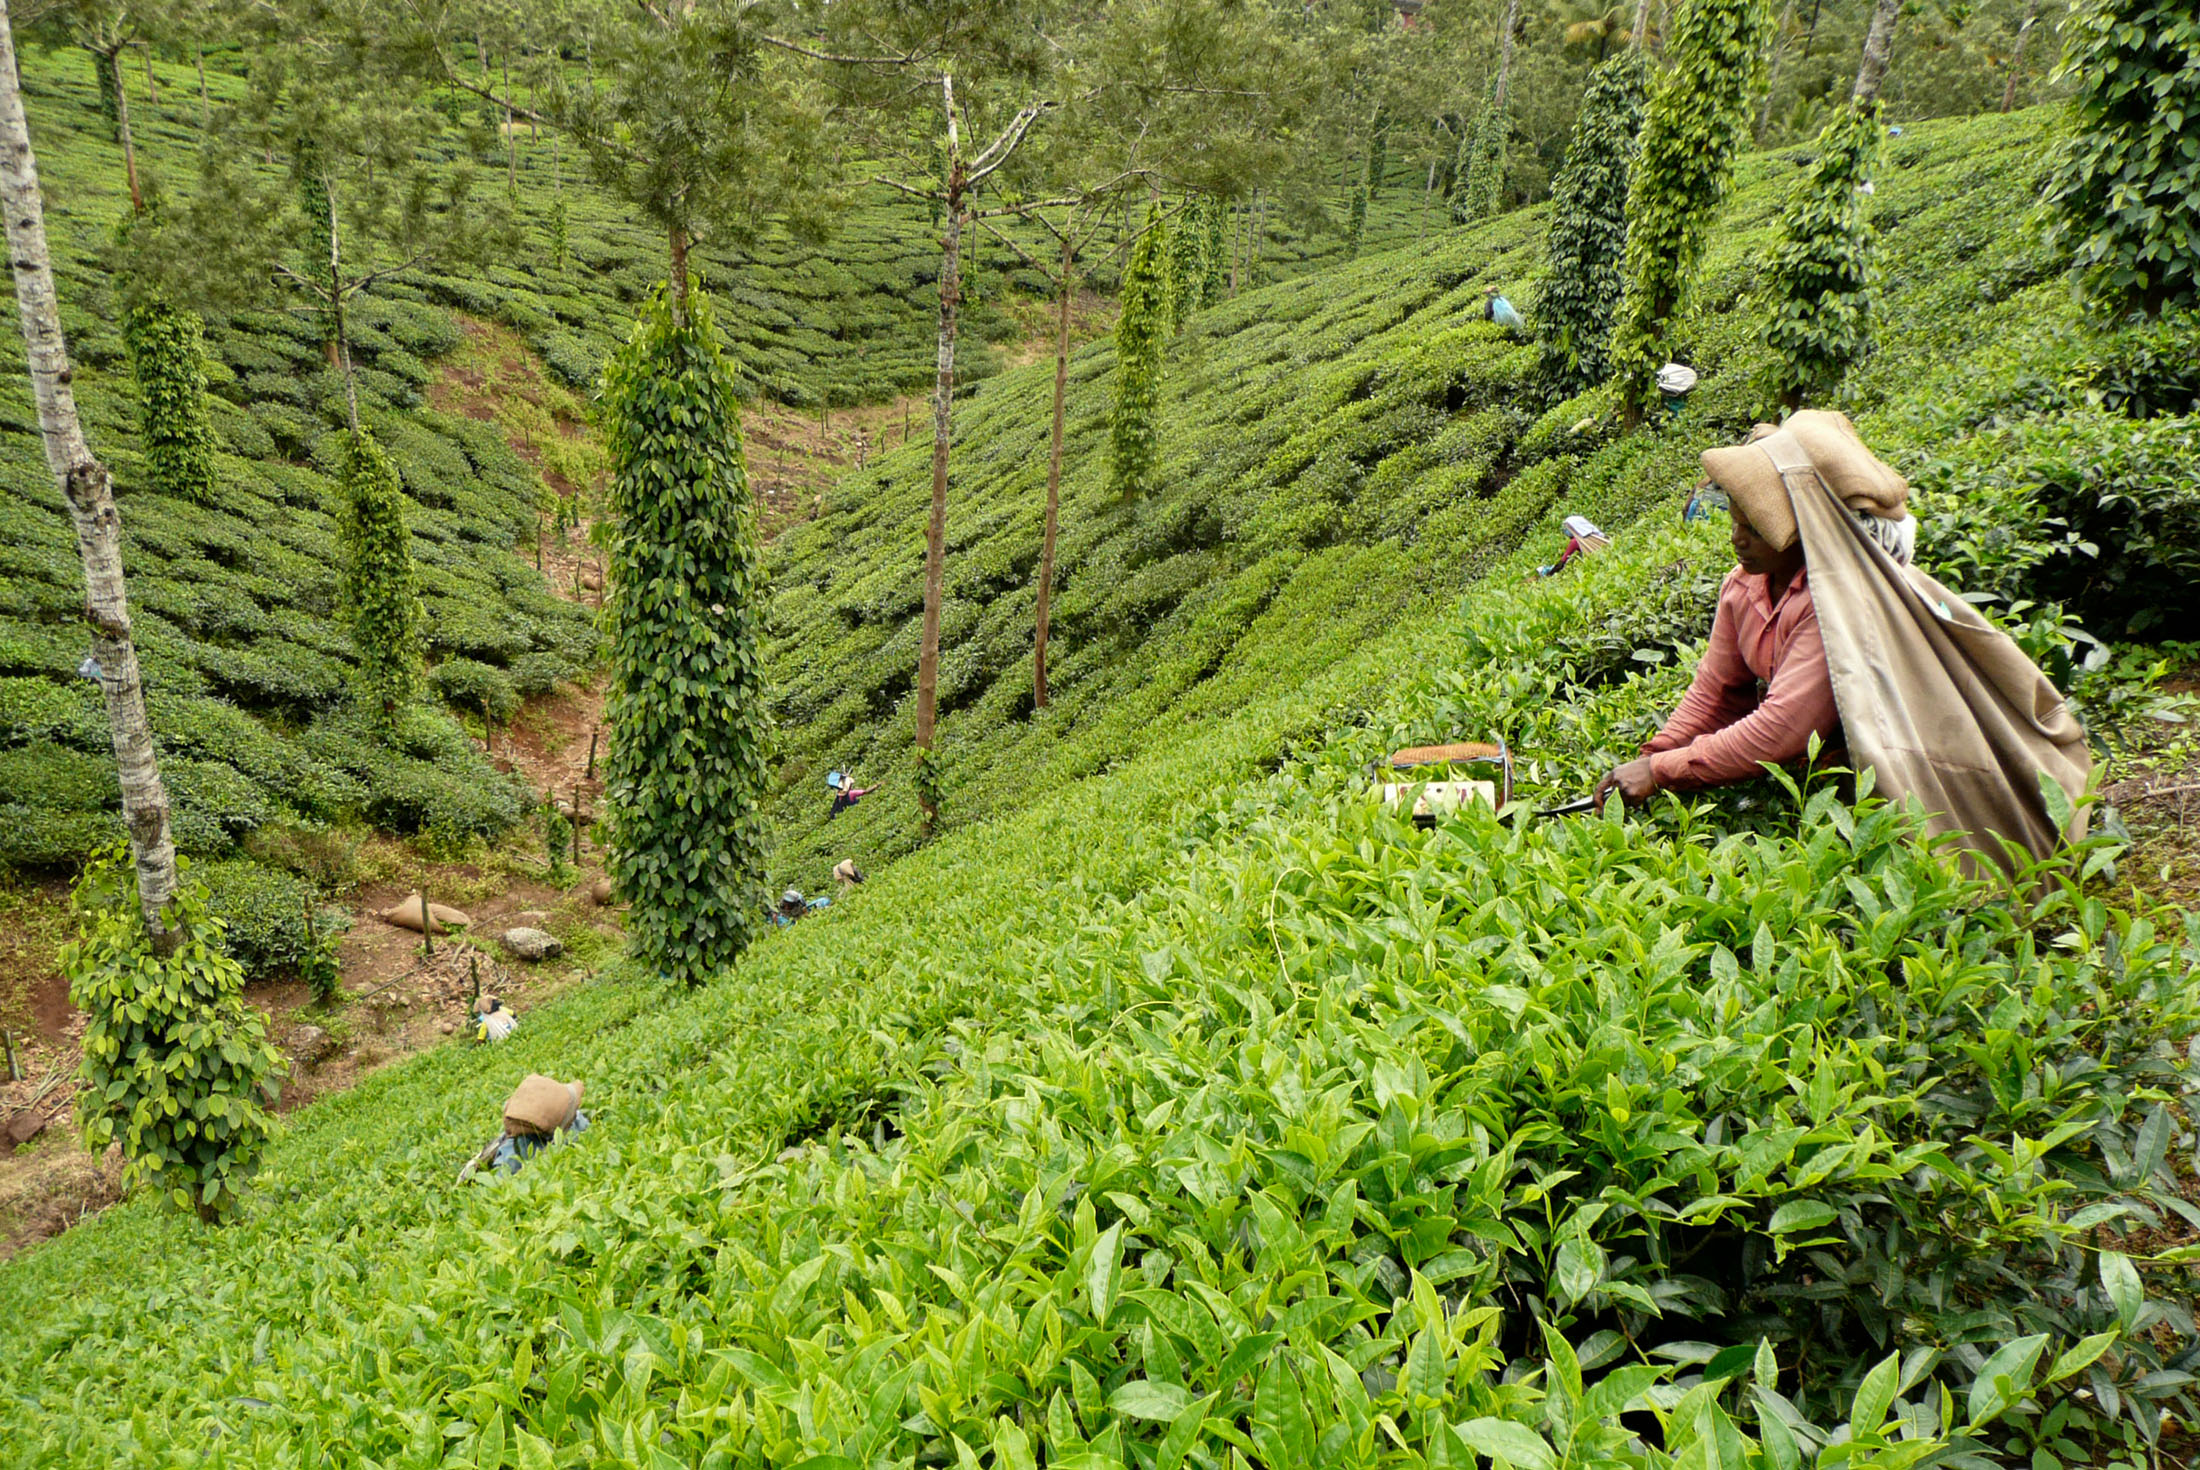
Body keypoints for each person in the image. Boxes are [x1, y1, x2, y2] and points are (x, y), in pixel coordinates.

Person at [1595, 421, 1914, 808]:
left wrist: (1662, 770)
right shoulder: (1743, 586)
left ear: (1802, 533)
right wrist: (1652, 757)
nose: (1736, 539)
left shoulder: (1835, 601)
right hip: (1808, 776)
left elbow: (1783, 729)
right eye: (1734, 522)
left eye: (1755, 530)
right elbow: (1717, 692)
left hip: (1883, 776)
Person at [1536, 514, 1610, 577]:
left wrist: (1550, 573)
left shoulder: (1576, 542)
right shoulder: (1595, 536)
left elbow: (1562, 562)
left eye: (1567, 528)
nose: (1565, 531)